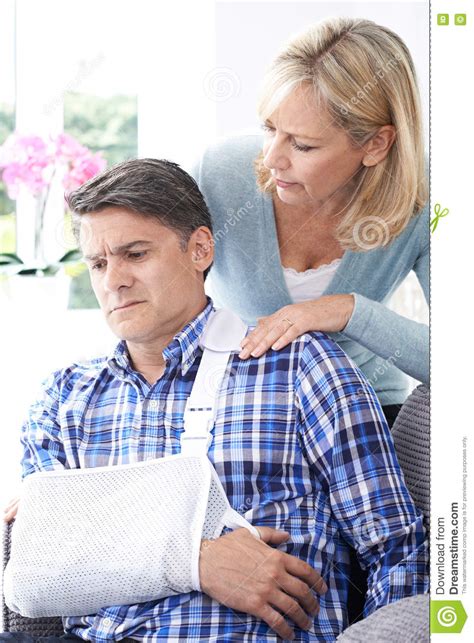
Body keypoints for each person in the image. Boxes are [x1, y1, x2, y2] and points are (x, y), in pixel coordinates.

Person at [2, 159, 427, 642]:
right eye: (98, 263)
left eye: (135, 254)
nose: (112, 280)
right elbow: (35, 572)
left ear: (200, 248)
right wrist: (196, 561)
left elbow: (397, 551)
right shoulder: (65, 396)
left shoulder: (300, 367)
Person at [191, 17, 429, 430]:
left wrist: (347, 310)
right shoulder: (218, 175)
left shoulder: (427, 198)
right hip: (236, 414)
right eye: (270, 129)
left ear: (376, 144)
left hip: (364, 411)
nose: (272, 159)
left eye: (303, 145)